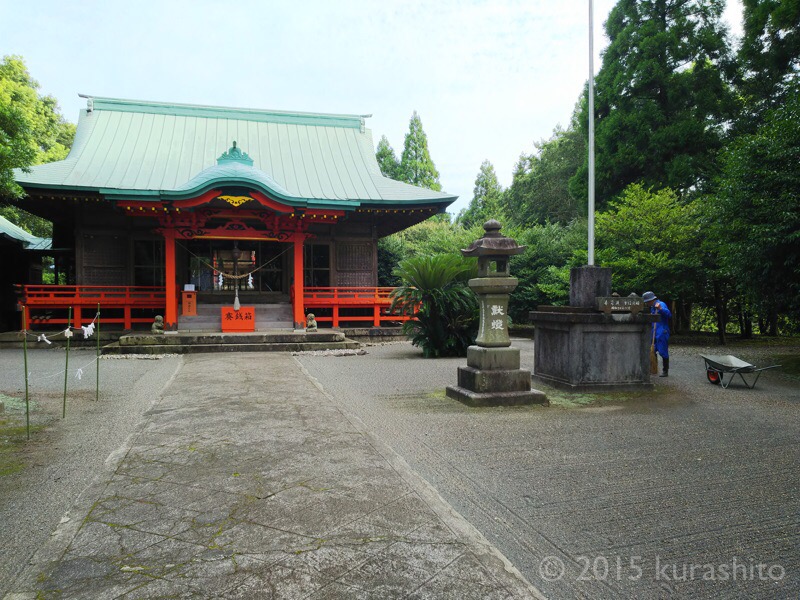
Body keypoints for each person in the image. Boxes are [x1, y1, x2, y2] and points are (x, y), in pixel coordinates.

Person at [642, 291, 671, 377]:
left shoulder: (661, 304)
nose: (647, 303)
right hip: (654, 331)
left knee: (663, 351)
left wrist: (661, 309)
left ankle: (665, 370)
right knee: (652, 350)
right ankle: (653, 368)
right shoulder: (652, 308)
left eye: (647, 302)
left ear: (651, 300)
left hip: (662, 332)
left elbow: (669, 315)